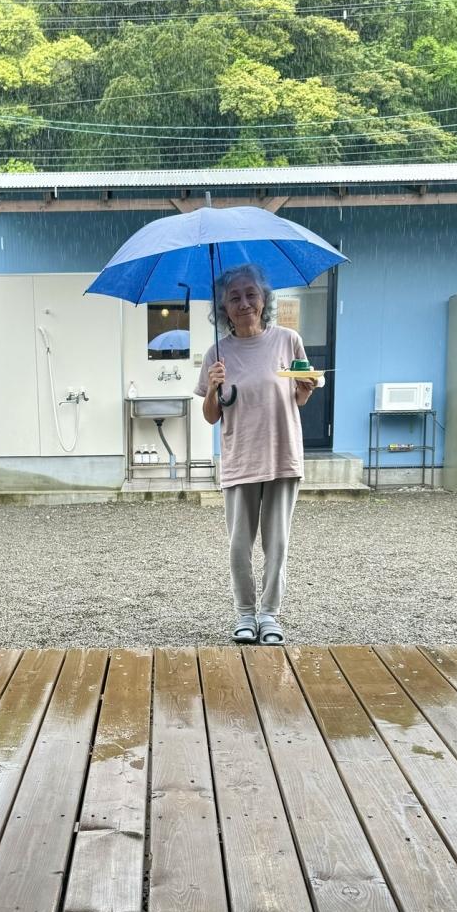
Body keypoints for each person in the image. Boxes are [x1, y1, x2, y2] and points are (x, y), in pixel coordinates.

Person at [194, 263, 317, 645]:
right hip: (240, 459)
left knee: (276, 544)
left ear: (264, 299)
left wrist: (306, 389)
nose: (244, 303)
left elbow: (298, 397)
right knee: (238, 546)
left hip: (282, 455)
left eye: (251, 294)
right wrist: (213, 387)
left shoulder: (288, 341)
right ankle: (245, 614)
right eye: (234, 297)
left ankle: (269, 615)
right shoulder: (217, 353)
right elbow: (211, 416)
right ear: (223, 307)